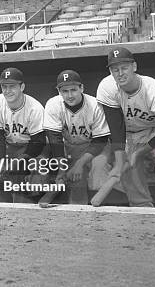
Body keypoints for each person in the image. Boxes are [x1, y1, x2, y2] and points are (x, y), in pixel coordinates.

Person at [96, 47, 155, 207]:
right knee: (130, 172)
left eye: (124, 68)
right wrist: (121, 159)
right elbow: (116, 129)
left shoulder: (153, 90)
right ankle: (143, 210)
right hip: (129, 134)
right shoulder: (107, 87)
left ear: (134, 67)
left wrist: (140, 152)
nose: (120, 73)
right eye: (115, 70)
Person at [43, 70, 110, 204]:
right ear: (59, 92)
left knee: (99, 169)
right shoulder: (53, 104)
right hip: (70, 147)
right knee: (75, 181)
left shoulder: (95, 105)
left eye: (73, 90)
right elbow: (54, 138)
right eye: (65, 91)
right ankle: (79, 215)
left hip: (96, 146)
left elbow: (100, 141)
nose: (69, 95)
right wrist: (63, 168)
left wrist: (80, 163)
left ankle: (104, 208)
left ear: (82, 88)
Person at [0, 67, 46, 203]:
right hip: (8, 145)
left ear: (22, 87)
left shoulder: (35, 108)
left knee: (25, 171)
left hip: (31, 147)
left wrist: (21, 160)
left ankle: (25, 205)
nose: (7, 91)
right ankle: (1, 204)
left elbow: (38, 142)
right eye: (4, 87)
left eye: (12, 86)